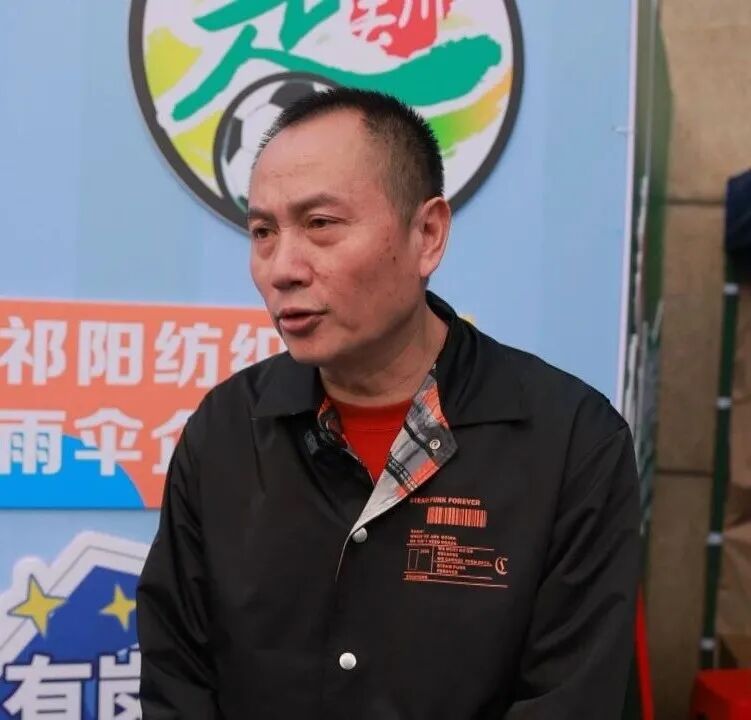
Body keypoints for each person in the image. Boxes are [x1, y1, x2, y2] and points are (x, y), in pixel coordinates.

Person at [137, 88, 640, 719]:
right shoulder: (226, 432)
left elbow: (575, 698)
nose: (282, 268)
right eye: (263, 232)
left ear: (427, 234)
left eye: (320, 224)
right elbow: (177, 679)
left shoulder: (570, 442)